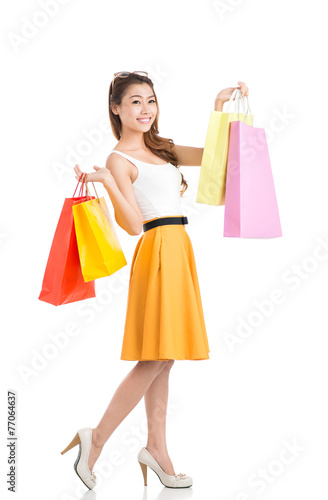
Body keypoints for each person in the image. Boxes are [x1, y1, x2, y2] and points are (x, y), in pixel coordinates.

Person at [60, 71, 249, 490]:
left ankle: (156, 449)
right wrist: (110, 183)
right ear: (116, 108)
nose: (145, 110)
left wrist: (219, 108)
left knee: (166, 356)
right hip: (157, 248)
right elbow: (131, 226)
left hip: (179, 246)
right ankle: (97, 440)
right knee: (155, 355)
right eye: (135, 102)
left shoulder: (161, 148)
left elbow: (215, 157)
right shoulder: (118, 160)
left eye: (151, 101)